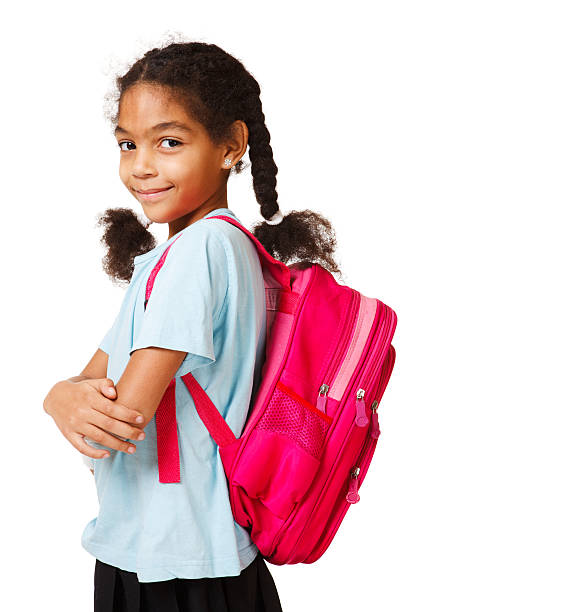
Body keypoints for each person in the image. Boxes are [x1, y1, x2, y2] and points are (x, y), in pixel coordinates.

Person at [43, 38, 342, 611]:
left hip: (174, 563)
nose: (141, 166)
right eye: (128, 144)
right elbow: (89, 384)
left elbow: (114, 422)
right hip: (192, 550)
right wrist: (61, 397)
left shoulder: (200, 250)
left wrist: (62, 401)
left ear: (231, 145)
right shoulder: (195, 253)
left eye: (170, 142)